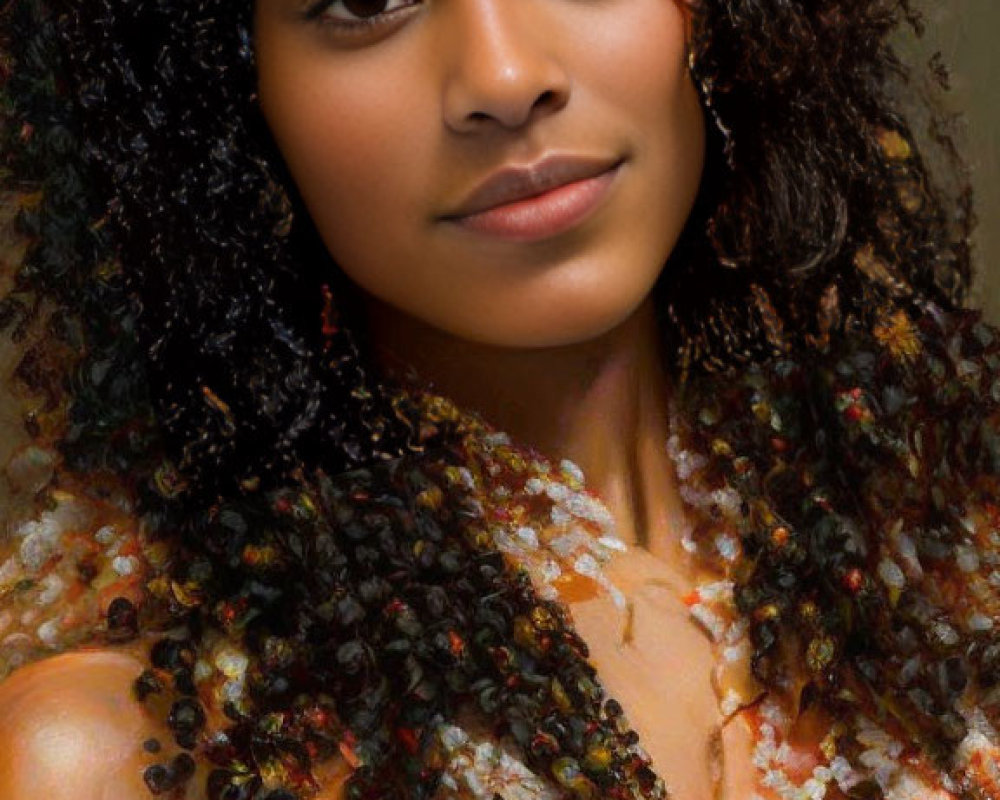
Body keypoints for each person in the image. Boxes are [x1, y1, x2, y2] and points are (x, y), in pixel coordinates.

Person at [0, 0, 997, 798]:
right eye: (365, 2)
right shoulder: (134, 746)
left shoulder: (951, 560)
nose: (507, 77)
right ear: (224, 87)